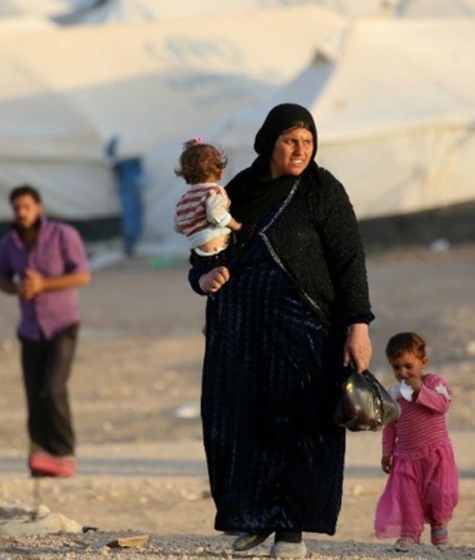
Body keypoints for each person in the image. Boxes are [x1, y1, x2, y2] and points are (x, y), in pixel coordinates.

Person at [188, 103, 374, 559]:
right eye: (290, 140)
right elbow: (204, 248)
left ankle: (290, 530)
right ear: (269, 142)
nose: (300, 150)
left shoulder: (322, 191)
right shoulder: (237, 190)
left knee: (299, 423)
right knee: (241, 420)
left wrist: (358, 325)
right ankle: (255, 516)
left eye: (307, 141)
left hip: (304, 330)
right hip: (240, 331)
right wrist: (202, 278)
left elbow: (349, 260)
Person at [0, 184, 91, 478]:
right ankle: (40, 456)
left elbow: (82, 275)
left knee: (53, 388)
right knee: (34, 396)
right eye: (17, 208)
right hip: (30, 328)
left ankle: (64, 453)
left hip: (62, 324)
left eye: (27, 207)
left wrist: (43, 285)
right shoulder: (9, 243)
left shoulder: (63, 235)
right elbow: (1, 279)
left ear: (39, 207)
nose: (22, 213)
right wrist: (18, 288)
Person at [374, 332, 458, 550]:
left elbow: (443, 405)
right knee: (408, 496)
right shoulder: (394, 393)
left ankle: (439, 527)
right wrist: (387, 452)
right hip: (405, 457)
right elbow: (390, 426)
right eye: (396, 368)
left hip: (435, 454)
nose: (403, 373)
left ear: (423, 362)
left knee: (438, 494)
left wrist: (420, 389)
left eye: (408, 366)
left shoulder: (434, 383)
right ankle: (410, 534)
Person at [173, 137, 241, 270]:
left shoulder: (184, 199)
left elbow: (178, 227)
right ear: (220, 170)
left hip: (199, 253)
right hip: (219, 250)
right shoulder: (214, 192)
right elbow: (216, 215)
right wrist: (236, 225)